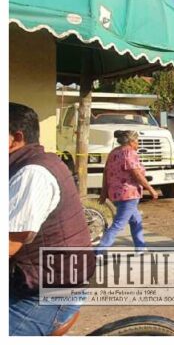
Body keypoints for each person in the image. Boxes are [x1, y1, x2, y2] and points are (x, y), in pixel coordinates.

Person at [9, 103, 94, 336]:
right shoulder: (24, 163)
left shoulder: (32, 173)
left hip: (49, 290)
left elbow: (9, 244)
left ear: (15, 138)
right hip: (34, 278)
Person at [96, 130, 158, 253]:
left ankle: (140, 248)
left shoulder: (114, 152)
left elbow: (106, 173)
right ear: (131, 141)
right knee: (119, 224)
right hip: (128, 193)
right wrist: (151, 189)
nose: (138, 144)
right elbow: (136, 174)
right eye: (137, 141)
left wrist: (104, 192)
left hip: (115, 193)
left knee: (136, 220)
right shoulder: (129, 152)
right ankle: (98, 251)